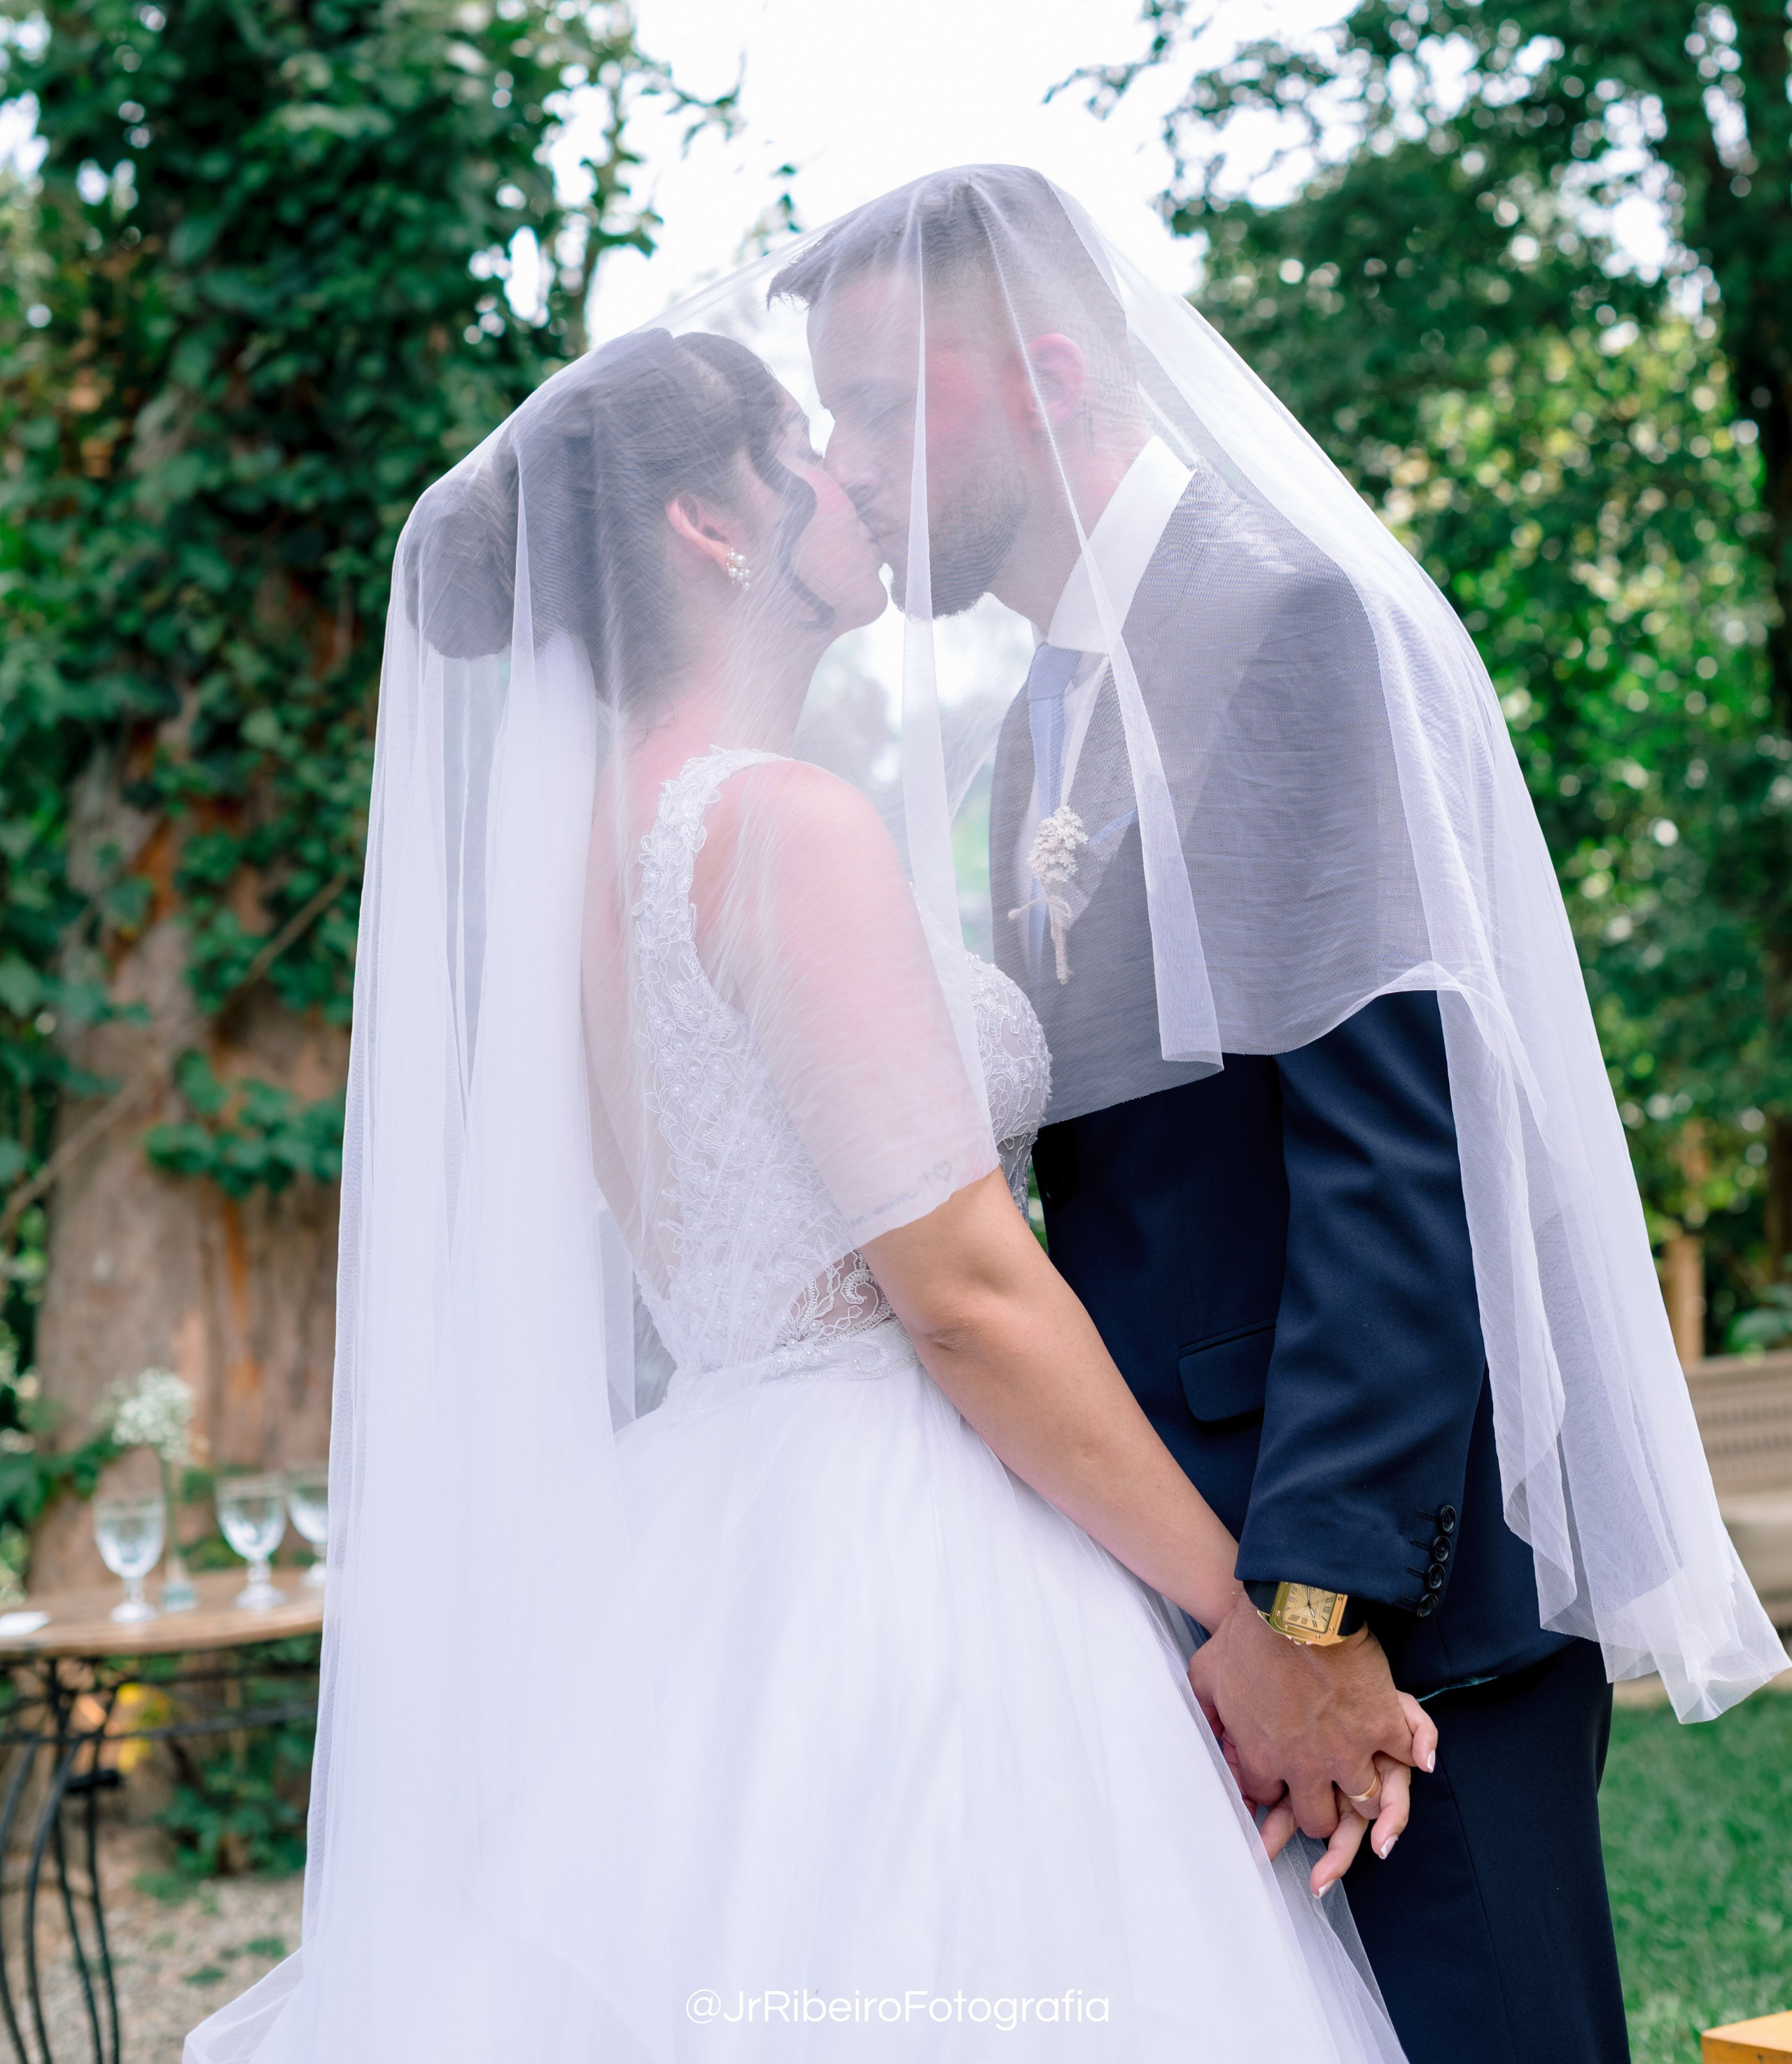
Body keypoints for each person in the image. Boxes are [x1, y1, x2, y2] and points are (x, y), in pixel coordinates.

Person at [187, 323, 1419, 2064]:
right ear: (712, 525)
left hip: (708, 1507)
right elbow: (963, 1294)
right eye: (809, 442)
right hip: (898, 1550)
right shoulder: (781, 828)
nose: (857, 472)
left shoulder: (581, 869)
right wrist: (1249, 1617)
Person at [785, 165, 1785, 2064]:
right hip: (1190, 1601)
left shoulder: (1286, 619)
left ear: (1056, 371)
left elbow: (1397, 1151)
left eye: (885, 403)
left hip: (1381, 1616)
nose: (848, 456)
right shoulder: (1044, 713)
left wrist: (1312, 1616)